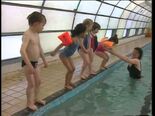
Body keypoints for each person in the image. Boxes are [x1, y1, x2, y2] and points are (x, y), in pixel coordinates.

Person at [20, 11, 48, 111]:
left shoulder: (36, 34)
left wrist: (44, 60)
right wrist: (30, 66)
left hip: (35, 63)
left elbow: (39, 48)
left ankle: (36, 98)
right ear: (36, 24)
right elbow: (22, 51)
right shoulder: (27, 34)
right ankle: (29, 103)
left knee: (38, 82)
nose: (43, 27)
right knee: (31, 84)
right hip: (28, 63)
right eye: (42, 25)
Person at [50, 23, 86, 90]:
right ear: (81, 32)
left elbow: (82, 45)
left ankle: (69, 82)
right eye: (85, 32)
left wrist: (85, 51)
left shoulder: (79, 39)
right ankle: (66, 85)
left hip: (68, 55)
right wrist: (54, 52)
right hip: (63, 55)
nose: (85, 34)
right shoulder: (73, 39)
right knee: (70, 69)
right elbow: (62, 44)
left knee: (73, 69)